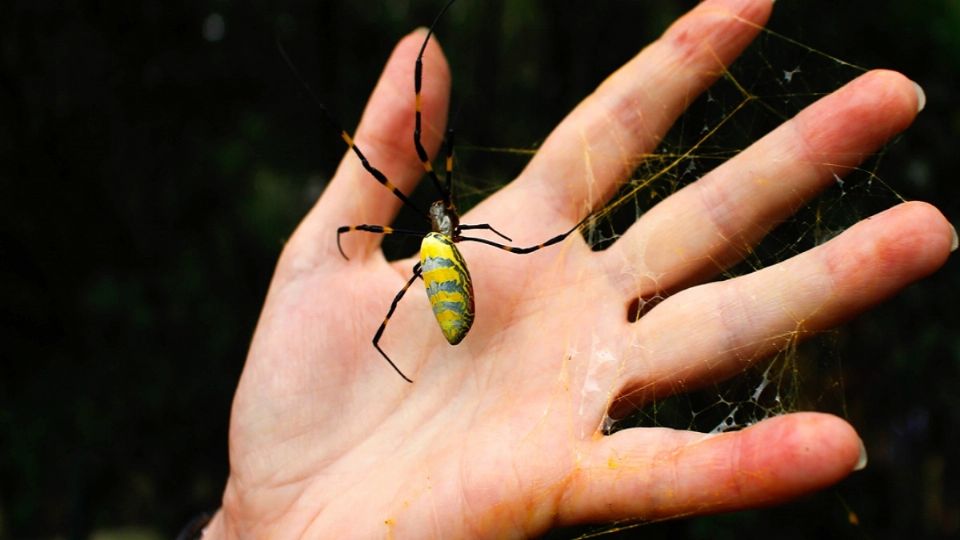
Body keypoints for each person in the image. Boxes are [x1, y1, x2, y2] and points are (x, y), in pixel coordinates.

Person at [196, 0, 955, 536]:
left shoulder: (447, 236)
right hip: (444, 272)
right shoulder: (452, 234)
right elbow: (435, 212)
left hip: (446, 276)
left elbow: (457, 210)